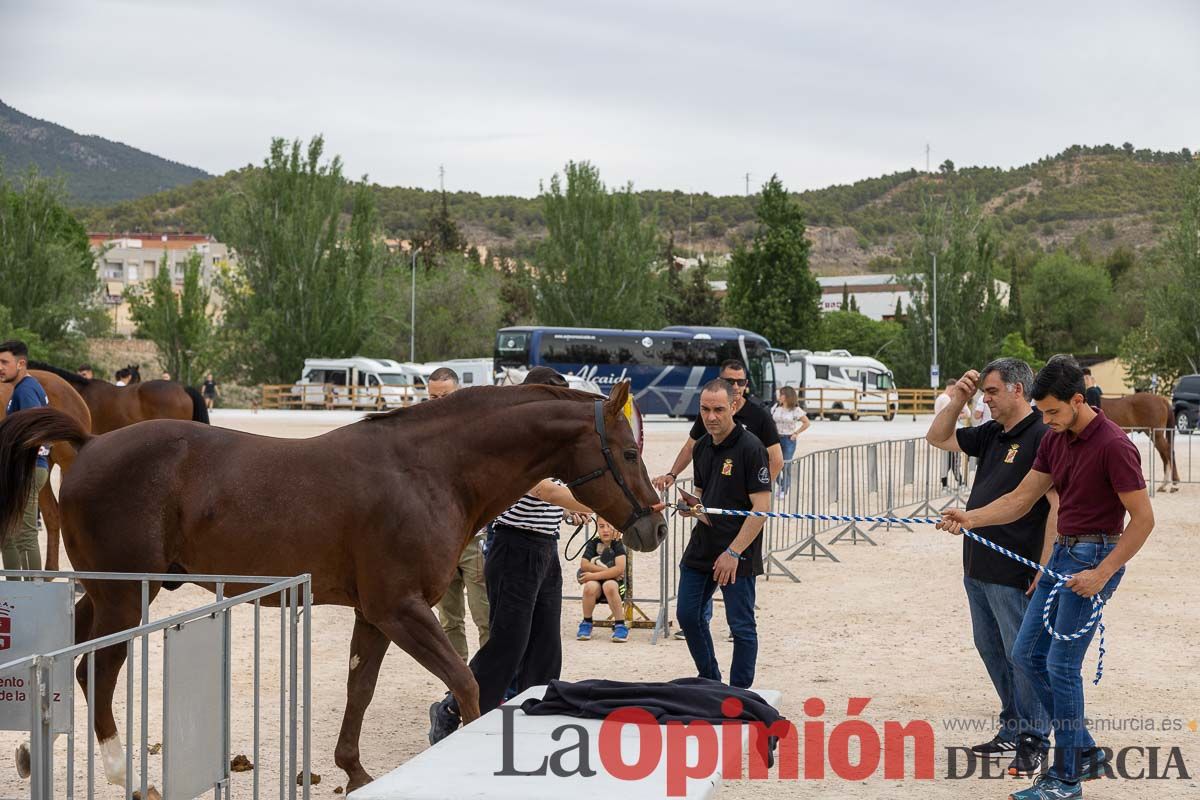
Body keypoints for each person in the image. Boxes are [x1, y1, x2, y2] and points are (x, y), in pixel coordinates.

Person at [940, 356, 1154, 800]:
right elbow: (1021, 498)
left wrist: (1102, 573)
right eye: (1043, 413)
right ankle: (1085, 751)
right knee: (1025, 655)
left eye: (1054, 412)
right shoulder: (1056, 439)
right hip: (1062, 555)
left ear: (1078, 400)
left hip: (1096, 556)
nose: (1048, 421)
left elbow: (1144, 520)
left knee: (1060, 666)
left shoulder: (1115, 446)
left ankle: (1067, 778)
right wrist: (970, 517)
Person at [428, 366, 596, 743]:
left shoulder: (551, 445)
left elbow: (558, 498)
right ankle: (453, 707)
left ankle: (532, 714)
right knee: (508, 644)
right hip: (514, 546)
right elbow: (544, 491)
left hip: (544, 548)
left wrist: (576, 511)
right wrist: (598, 506)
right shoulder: (517, 441)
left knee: (545, 644)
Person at [926, 359, 1054, 777]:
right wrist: (958, 399)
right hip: (977, 562)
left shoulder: (1043, 436)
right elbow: (937, 437)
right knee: (990, 648)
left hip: (1015, 565)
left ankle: (1035, 737)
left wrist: (1044, 566)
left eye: (992, 392)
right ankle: (1013, 724)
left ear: (1018, 390)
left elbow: (1057, 507)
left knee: (1024, 655)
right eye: (983, 393)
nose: (987, 399)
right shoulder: (993, 432)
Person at [653, 359, 781, 641]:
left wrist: (752, 493)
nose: (736, 387)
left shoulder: (759, 417)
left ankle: (738, 685)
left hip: (742, 524)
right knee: (692, 614)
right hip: (707, 530)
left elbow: (776, 460)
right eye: (730, 381)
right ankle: (707, 666)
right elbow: (691, 450)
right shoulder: (706, 427)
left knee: (741, 623)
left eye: (741, 382)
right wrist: (674, 476)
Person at [675, 378, 772, 689]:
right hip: (702, 546)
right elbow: (702, 495)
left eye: (718, 409)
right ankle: (711, 681)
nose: (711, 416)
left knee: (741, 626)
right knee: (688, 616)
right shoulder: (701, 446)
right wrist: (691, 507)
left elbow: (761, 508)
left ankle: (739, 693)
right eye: (705, 409)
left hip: (737, 551)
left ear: (733, 406)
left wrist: (733, 553)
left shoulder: (751, 447)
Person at [427, 367, 491, 661]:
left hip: (473, 539)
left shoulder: (476, 432)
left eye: (445, 396)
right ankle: (456, 684)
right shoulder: (421, 435)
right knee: (449, 620)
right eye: (432, 397)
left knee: (486, 616)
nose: (438, 402)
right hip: (439, 542)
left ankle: (490, 683)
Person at [0, 340, 50, 577]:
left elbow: (35, 430)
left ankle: (33, 589)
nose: (0, 367)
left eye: (4, 362)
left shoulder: (27, 390)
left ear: (21, 363)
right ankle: (15, 588)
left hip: (28, 468)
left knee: (26, 533)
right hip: (25, 468)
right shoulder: (21, 390)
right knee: (9, 532)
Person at [575, 518, 629, 643]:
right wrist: (608, 572)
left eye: (609, 526)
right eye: (601, 526)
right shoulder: (593, 543)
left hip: (615, 586)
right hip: (598, 586)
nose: (605, 530)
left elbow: (619, 569)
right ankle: (587, 622)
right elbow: (584, 564)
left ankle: (620, 624)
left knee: (609, 585)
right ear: (597, 528)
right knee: (589, 587)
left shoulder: (617, 543)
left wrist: (592, 575)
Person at [770, 386, 809, 498]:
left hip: (788, 440)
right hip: (776, 438)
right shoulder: (775, 407)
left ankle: (784, 489)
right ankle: (782, 484)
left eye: (781, 394)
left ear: (787, 396)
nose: (779, 396)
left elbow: (806, 423)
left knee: (785, 465)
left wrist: (796, 433)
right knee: (775, 463)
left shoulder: (796, 410)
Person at [933, 379, 970, 487]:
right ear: (951, 387)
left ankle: (952, 482)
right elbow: (951, 415)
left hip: (944, 431)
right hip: (948, 432)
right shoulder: (945, 399)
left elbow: (966, 413)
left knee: (949, 459)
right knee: (952, 458)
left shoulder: (942, 397)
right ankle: (957, 481)